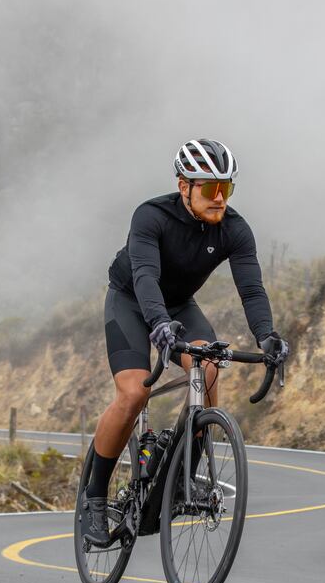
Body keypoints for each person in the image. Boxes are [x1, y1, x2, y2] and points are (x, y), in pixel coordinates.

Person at [80, 138, 290, 545]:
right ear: (183, 187)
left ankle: (185, 477)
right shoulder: (151, 216)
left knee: (208, 367)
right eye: (210, 188)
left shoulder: (235, 229)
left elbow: (252, 290)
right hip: (130, 300)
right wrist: (157, 322)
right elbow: (144, 275)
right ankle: (94, 498)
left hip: (178, 306)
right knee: (133, 393)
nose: (219, 198)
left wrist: (268, 336)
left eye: (226, 188)